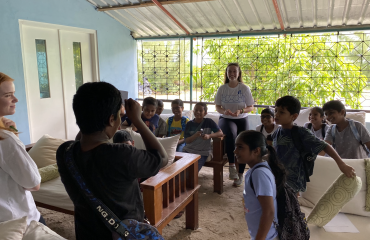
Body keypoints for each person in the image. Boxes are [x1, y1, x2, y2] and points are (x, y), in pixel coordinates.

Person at [56, 82, 168, 239]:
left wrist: (88, 117)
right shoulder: (122, 154)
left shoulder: (64, 152)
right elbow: (162, 158)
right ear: (111, 120)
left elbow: (79, 142)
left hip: (86, 233)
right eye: (119, 116)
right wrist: (137, 120)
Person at [272, 96, 355, 194]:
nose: (276, 114)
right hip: (277, 178)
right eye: (276, 110)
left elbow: (325, 146)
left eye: (281, 112)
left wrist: (342, 164)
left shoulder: (301, 133)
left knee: (289, 206)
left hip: (293, 182)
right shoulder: (277, 132)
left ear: (293, 116)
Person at [0, 72, 45, 226]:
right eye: (8, 95)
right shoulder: (5, 140)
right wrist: (15, 138)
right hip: (17, 221)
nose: (16, 99)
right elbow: (33, 183)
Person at [235, 130, 284, 240]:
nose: (235, 151)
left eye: (240, 147)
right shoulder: (254, 171)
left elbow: (269, 212)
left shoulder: (259, 174)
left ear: (256, 151)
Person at [215, 63, 254, 187]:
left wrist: (241, 111)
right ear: (226, 73)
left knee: (244, 141)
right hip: (225, 118)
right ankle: (232, 166)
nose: (232, 74)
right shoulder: (222, 88)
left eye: (234, 71)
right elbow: (217, 106)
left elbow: (251, 107)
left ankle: (241, 173)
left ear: (238, 73)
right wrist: (224, 111)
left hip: (241, 118)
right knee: (231, 133)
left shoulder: (244, 88)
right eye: (229, 71)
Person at [182, 102, 223, 171]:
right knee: (180, 170)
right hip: (188, 150)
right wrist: (195, 135)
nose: (198, 112)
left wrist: (209, 136)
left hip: (202, 152)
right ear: (193, 111)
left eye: (200, 110)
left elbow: (220, 133)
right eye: (196, 110)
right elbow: (187, 141)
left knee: (192, 171)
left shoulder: (209, 122)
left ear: (205, 113)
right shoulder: (189, 124)